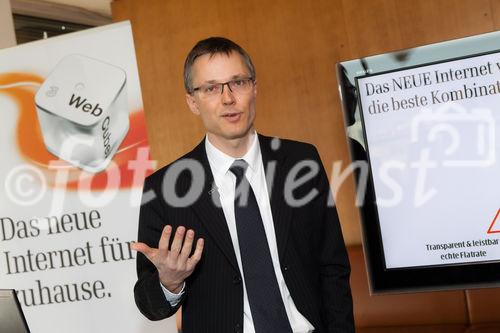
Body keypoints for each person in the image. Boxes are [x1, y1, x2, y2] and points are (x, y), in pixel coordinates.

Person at [132, 37, 354, 333]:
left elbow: (333, 267)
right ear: (192, 102)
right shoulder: (164, 189)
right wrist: (169, 282)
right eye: (211, 88)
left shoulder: (301, 161)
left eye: (238, 82)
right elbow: (150, 305)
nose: (228, 98)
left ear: (254, 88)